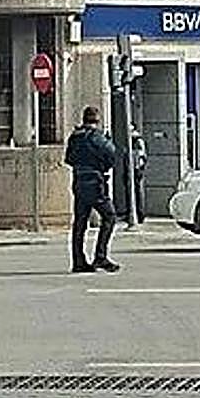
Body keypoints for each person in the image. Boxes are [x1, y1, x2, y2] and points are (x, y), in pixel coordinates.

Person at [64, 106, 120, 274]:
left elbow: (69, 159)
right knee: (109, 217)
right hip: (95, 184)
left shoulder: (75, 137)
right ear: (97, 120)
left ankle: (78, 261)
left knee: (80, 223)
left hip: (79, 182)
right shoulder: (98, 138)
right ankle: (100, 256)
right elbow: (112, 156)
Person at [130, 124, 148, 224]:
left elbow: (141, 156)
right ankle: (139, 213)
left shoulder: (136, 140)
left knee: (137, 191)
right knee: (137, 191)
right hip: (137, 168)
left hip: (136, 169)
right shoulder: (138, 140)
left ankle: (140, 214)